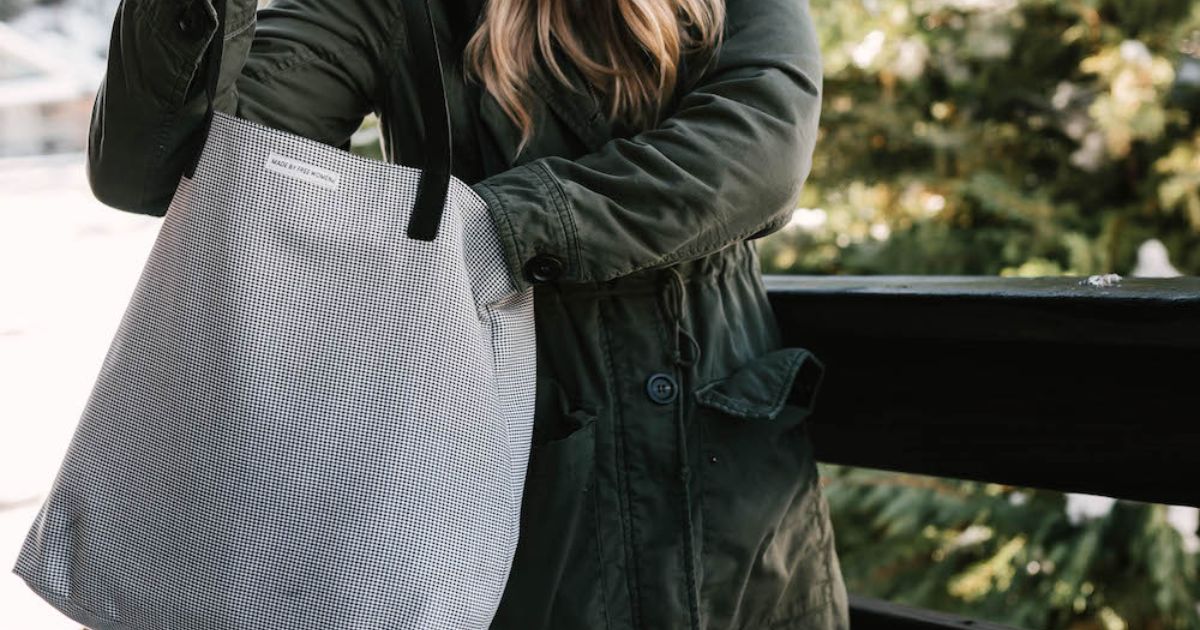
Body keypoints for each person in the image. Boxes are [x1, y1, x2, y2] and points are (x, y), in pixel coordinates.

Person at [87, 0, 848, 627]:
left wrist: (492, 229)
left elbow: (758, 154)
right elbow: (165, 172)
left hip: (741, 511)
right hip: (523, 505)